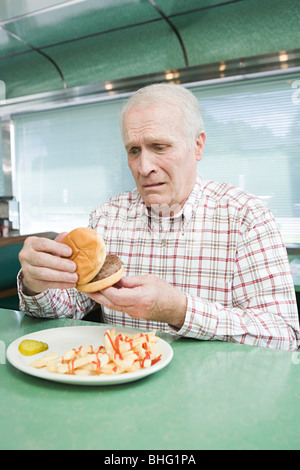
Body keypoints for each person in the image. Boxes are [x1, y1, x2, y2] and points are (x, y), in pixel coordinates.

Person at [18, 83, 300, 351]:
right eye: (134, 150)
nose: (144, 167)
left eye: (160, 147)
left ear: (198, 145)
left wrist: (179, 309)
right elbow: (65, 308)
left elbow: (284, 336)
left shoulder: (246, 217)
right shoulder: (106, 217)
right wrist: (36, 284)